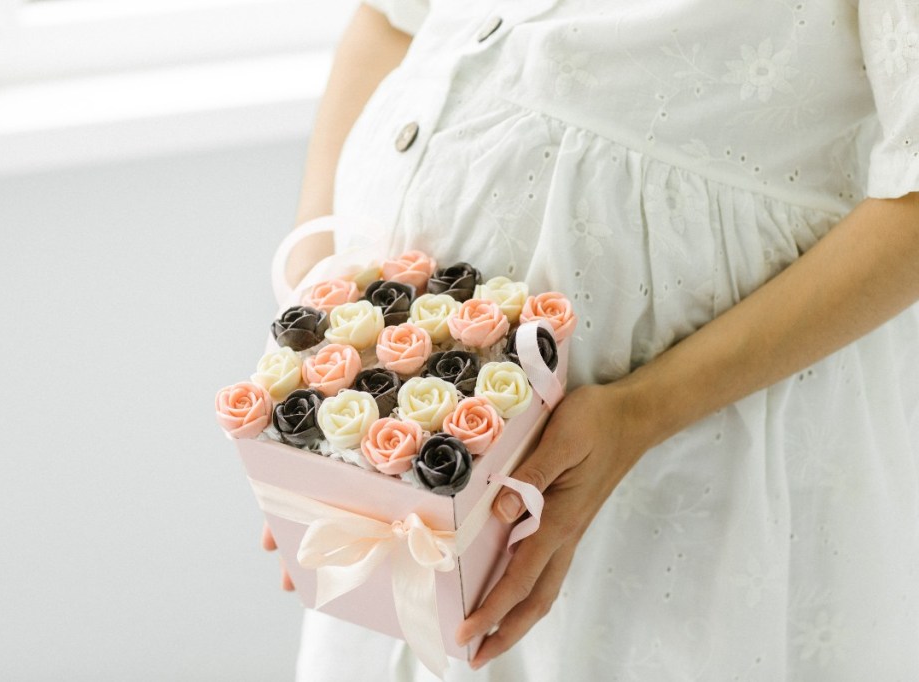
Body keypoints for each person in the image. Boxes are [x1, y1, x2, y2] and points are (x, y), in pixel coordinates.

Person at [268, 1, 919, 679]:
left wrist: (643, 411)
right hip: (401, 435)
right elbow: (390, 20)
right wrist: (311, 315)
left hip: (691, 461)